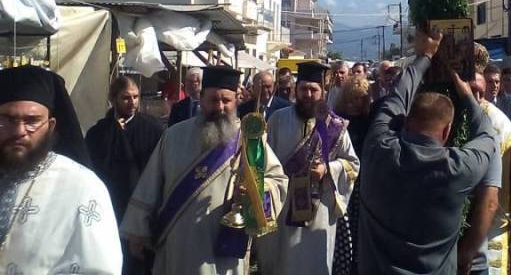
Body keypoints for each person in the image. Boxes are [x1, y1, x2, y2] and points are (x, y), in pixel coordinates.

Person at [121, 65, 288, 274]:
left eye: (226, 100)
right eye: (213, 100)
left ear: (236, 100)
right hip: (177, 247)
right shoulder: (173, 136)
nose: (220, 106)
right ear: (201, 97)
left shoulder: (249, 140)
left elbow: (277, 181)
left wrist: (254, 192)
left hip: (223, 250)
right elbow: (150, 185)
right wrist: (138, 232)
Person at [358, 31, 497, 274]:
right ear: (447, 132)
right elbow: (486, 133)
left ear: (406, 121)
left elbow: (396, 99)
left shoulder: (378, 148)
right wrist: (465, 93)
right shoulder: (457, 167)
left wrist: (425, 56)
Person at [0, 65, 122, 273]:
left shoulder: (82, 187)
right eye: (8, 119)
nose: (20, 131)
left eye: (32, 121)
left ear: (51, 125)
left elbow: (100, 269)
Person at [259, 61, 360, 275]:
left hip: (319, 210)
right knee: (282, 264)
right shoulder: (277, 120)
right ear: (296, 90)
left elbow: (353, 164)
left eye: (314, 90)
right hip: (283, 208)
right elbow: (262, 161)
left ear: (322, 92)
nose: (308, 94)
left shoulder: (336, 125)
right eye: (303, 89)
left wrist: (328, 169)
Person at [85, 75, 163, 273]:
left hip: (141, 206)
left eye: (136, 97)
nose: (132, 103)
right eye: (126, 98)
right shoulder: (98, 132)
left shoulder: (152, 129)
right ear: (113, 99)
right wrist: (114, 133)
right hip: (110, 206)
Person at [466, 73, 511, 275]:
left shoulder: (499, 122)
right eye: (471, 91)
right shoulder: (448, 112)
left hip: (494, 216)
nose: (476, 97)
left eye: (480, 91)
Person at [333, 76, 373, 275]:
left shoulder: (369, 121)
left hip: (363, 183)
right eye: (354, 98)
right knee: (344, 230)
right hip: (342, 182)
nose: (358, 103)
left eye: (362, 98)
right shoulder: (337, 120)